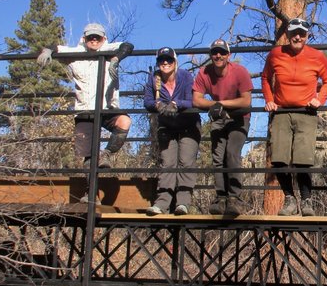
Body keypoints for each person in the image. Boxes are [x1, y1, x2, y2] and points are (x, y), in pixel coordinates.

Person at [261, 18, 327, 216]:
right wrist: (269, 99)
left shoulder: (317, 56)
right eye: (294, 33)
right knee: (278, 158)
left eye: (302, 33)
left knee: (303, 160)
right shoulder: (276, 54)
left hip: (306, 112)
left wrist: (320, 99)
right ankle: (289, 199)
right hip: (281, 111)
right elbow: (266, 78)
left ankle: (307, 200)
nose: (298, 37)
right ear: (288, 35)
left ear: (307, 36)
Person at [37, 23, 134, 173]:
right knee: (88, 157)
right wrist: (47, 51)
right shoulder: (75, 53)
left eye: (98, 37)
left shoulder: (109, 50)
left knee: (124, 121)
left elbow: (128, 46)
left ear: (104, 38)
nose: (94, 40)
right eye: (90, 37)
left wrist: (116, 59)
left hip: (108, 108)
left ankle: (106, 154)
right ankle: (89, 194)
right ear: (84, 38)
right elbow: (55, 47)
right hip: (84, 110)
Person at [193, 38, 253, 215]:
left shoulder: (240, 72)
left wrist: (220, 104)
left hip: (239, 117)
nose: (218, 56)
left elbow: (246, 100)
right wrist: (216, 107)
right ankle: (221, 198)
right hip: (218, 117)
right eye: (214, 52)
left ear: (229, 55)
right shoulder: (204, 73)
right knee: (217, 157)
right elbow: (196, 99)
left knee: (232, 153)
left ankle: (235, 198)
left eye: (222, 52)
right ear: (211, 55)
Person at [143, 47, 201, 216]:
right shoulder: (154, 79)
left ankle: (183, 203)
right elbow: (147, 101)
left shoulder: (185, 76)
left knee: (186, 162)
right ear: (158, 63)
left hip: (188, 125)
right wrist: (158, 105)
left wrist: (176, 104)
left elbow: (193, 101)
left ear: (175, 62)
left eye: (169, 60)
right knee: (167, 163)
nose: (165, 63)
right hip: (166, 126)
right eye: (161, 60)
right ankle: (162, 204)